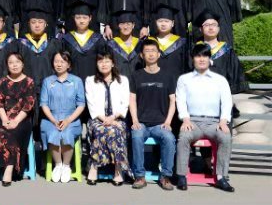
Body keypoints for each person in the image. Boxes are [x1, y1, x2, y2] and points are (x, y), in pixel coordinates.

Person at [175, 42, 235, 192]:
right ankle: (182, 176)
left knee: (225, 137)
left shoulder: (220, 79)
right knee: (184, 137)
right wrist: (185, 119)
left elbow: (227, 101)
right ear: (193, 59)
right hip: (193, 121)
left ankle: (221, 177)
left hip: (214, 122)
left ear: (209, 59)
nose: (201, 59)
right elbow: (180, 100)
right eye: (198, 56)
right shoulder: (184, 79)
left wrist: (223, 121)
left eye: (205, 56)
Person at [128, 38, 177, 191]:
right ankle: (139, 176)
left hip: (160, 124)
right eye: (147, 51)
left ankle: (166, 176)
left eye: (153, 51)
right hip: (141, 123)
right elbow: (132, 100)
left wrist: (168, 122)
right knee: (136, 136)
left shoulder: (168, 76)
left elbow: (173, 101)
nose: (150, 54)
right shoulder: (136, 75)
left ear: (159, 54)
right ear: (141, 55)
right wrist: (135, 120)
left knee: (169, 138)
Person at [84, 50, 131, 186]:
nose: (103, 64)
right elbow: (91, 103)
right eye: (100, 61)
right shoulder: (90, 80)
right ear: (96, 64)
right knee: (100, 130)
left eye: (107, 61)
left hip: (118, 118)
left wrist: (113, 118)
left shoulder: (122, 80)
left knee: (115, 130)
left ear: (113, 63)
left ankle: (118, 170)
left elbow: (125, 102)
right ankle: (94, 168)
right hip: (97, 119)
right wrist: (105, 119)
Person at [39, 51, 86, 183]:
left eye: (62, 61)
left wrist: (68, 120)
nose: (59, 64)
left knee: (67, 133)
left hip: (71, 118)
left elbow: (81, 104)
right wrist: (53, 120)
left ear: (68, 64)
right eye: (56, 61)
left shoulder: (76, 81)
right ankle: (58, 164)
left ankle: (66, 165)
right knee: (53, 133)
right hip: (51, 118)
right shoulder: (47, 81)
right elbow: (44, 104)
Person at [0, 52, 36, 186]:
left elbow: (28, 105)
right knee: (2, 131)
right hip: (3, 117)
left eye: (17, 62)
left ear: (22, 64)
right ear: (7, 65)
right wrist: (5, 119)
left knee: (14, 131)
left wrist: (16, 120)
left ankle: (9, 169)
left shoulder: (29, 82)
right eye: (11, 62)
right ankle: (6, 167)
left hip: (22, 118)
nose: (14, 65)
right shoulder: (2, 82)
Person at [15, 9, 62, 100]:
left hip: (49, 91)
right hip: (26, 91)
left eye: (40, 22)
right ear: (28, 24)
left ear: (46, 24)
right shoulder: (20, 44)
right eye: (33, 22)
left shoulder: (54, 44)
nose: (37, 25)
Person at [197, 11, 248, 95]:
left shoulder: (227, 50)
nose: (211, 28)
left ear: (218, 28)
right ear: (201, 29)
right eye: (206, 25)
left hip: (221, 94)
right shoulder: (194, 50)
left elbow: (235, 75)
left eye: (214, 24)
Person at [61, 3, 107, 81]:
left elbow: (103, 62)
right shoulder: (67, 39)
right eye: (78, 18)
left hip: (94, 82)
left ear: (90, 18)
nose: (81, 21)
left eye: (85, 18)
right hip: (72, 82)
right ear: (73, 18)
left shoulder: (97, 39)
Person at [146, 3, 190, 81]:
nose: (163, 24)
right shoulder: (148, 42)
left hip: (175, 84)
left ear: (172, 23)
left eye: (167, 21)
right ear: (156, 22)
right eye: (160, 21)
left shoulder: (182, 43)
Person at [106, 10, 142, 78]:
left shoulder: (140, 44)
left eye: (128, 24)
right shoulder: (111, 44)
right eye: (122, 24)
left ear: (133, 25)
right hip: (118, 81)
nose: (125, 27)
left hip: (137, 81)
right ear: (118, 25)